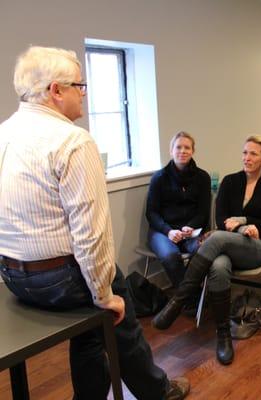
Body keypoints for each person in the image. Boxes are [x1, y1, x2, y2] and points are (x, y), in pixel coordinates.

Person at [0, 46, 188, 399]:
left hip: (12, 278)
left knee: (88, 327)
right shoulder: (73, 141)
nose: (84, 94)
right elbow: (91, 235)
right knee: (118, 309)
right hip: (59, 279)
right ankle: (156, 391)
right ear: (56, 90)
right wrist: (105, 295)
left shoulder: (3, 134)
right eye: (79, 86)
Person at [152, 135, 261, 366]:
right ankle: (223, 335)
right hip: (227, 245)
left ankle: (180, 299)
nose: (247, 158)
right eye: (244, 152)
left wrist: (249, 223)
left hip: (258, 248)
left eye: (253, 154)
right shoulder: (231, 182)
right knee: (218, 265)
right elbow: (221, 218)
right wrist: (237, 226)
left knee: (217, 239)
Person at [146, 131, 211, 291]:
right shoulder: (159, 178)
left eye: (187, 147)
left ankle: (187, 296)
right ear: (171, 150)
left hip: (192, 230)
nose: (182, 151)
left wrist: (190, 227)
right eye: (178, 147)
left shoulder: (203, 177)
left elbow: (203, 212)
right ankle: (191, 299)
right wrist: (168, 231)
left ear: (193, 151)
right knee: (171, 256)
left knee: (207, 251)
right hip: (163, 231)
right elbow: (151, 213)